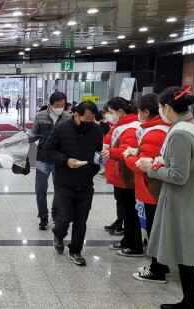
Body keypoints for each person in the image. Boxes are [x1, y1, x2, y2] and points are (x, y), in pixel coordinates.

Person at [136, 86, 194, 309]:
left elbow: (178, 175)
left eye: (160, 108)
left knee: (186, 250)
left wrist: (151, 168)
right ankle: (188, 301)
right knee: (187, 249)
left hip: (184, 200)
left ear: (166, 107)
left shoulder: (179, 133)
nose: (160, 112)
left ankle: (189, 303)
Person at [45, 101, 103, 266]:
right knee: (65, 217)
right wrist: (66, 160)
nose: (90, 122)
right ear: (76, 115)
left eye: (93, 119)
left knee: (81, 219)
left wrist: (100, 159)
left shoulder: (96, 129)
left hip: (86, 181)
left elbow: (97, 151)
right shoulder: (62, 129)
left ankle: (75, 250)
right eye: (87, 118)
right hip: (64, 181)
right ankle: (58, 234)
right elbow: (48, 151)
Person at [121, 93, 171, 283]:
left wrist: (129, 156)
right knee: (158, 229)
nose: (138, 115)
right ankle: (162, 265)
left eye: (139, 112)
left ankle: (157, 269)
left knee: (155, 230)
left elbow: (144, 164)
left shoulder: (154, 132)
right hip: (158, 187)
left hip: (153, 189)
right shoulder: (165, 128)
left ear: (146, 112)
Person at [102, 97, 143, 258]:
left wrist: (111, 152)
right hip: (119, 175)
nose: (109, 116)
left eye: (111, 112)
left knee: (130, 212)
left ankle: (135, 246)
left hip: (126, 176)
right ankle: (127, 240)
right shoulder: (120, 125)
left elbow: (128, 149)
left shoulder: (131, 127)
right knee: (125, 210)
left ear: (120, 111)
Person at [30, 92, 71, 230]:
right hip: (43, 158)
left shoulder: (68, 117)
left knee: (59, 189)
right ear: (51, 105)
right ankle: (43, 216)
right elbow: (34, 133)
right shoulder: (40, 116)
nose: (60, 107)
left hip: (60, 160)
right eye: (58, 105)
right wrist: (25, 139)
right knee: (40, 189)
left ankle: (55, 212)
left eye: (63, 105)